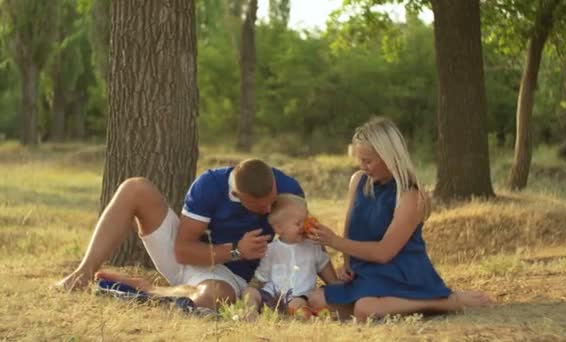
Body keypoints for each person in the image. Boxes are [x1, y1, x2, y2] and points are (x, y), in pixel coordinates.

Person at [307, 117, 495, 322]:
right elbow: (350, 230)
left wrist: (334, 241)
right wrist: (348, 264)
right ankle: (378, 302)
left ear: (390, 157)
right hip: (368, 273)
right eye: (360, 160)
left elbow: (384, 253)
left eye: (368, 161)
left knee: (364, 309)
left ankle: (444, 302)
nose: (363, 166)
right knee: (316, 300)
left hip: (402, 275)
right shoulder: (359, 180)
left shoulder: (410, 196)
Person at [56, 158, 304, 311]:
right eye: (258, 206)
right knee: (135, 188)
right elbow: (182, 250)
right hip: (186, 258)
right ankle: (84, 272)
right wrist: (237, 250)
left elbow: (300, 240)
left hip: (227, 278)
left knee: (215, 299)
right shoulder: (209, 185)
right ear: (238, 196)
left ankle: (149, 290)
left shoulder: (288, 189)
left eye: (271, 201)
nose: (267, 209)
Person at [241, 194, 340, 319]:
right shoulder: (272, 249)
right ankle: (251, 312)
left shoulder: (313, 247)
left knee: (297, 304)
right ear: (279, 228)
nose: (303, 226)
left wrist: (336, 284)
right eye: (298, 223)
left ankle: (296, 315)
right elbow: (261, 277)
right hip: (273, 296)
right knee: (249, 292)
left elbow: (326, 270)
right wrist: (253, 290)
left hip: (300, 296)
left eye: (305, 220)